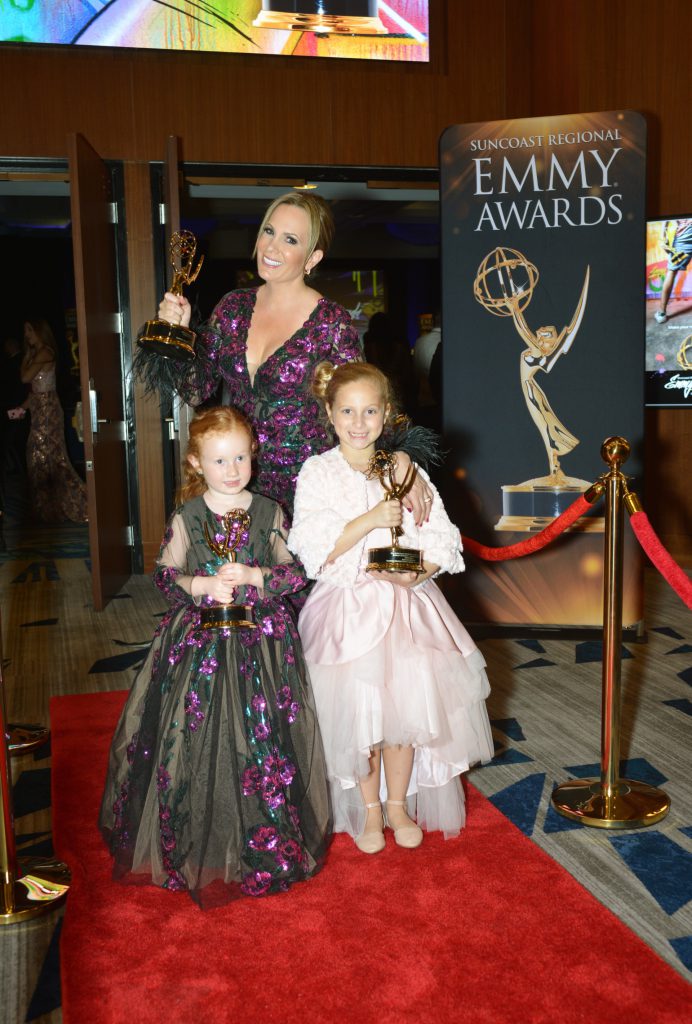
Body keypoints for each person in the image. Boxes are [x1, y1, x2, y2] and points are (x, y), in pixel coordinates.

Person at [99, 405, 331, 906]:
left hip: (262, 644)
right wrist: (200, 583)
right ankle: (196, 834)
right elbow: (165, 574)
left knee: (260, 735)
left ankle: (265, 834)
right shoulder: (189, 516)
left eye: (241, 458)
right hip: (198, 643)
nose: (232, 470)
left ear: (253, 456)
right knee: (197, 734)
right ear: (197, 464)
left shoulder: (269, 511)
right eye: (220, 460)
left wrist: (254, 577)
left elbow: (295, 574)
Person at [288, 362, 493, 855]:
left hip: (408, 611)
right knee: (363, 721)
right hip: (348, 611)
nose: (359, 423)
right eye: (348, 412)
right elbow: (314, 549)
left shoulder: (405, 469)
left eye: (371, 411)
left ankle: (398, 804)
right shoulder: (317, 472)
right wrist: (370, 520)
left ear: (387, 415)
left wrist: (418, 572)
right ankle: (370, 810)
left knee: (405, 717)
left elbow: (441, 535)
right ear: (330, 415)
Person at [151, 191, 430, 519]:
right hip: (239, 482)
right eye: (269, 231)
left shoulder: (330, 323)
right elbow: (195, 390)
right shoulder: (232, 308)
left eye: (290, 239)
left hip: (308, 490)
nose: (271, 247)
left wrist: (400, 458)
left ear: (312, 259)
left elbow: (363, 404)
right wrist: (178, 337)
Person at [13, 320, 87, 523]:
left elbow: (25, 378)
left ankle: (77, 503)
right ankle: (48, 509)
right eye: (25, 331)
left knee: (49, 458)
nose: (27, 335)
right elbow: (35, 390)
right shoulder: (36, 355)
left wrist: (26, 357)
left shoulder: (45, 352)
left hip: (48, 411)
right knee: (38, 458)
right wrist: (21, 408)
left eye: (30, 330)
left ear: (39, 332)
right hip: (39, 409)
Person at [654, 218, 692, 323]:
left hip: (685, 238)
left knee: (671, 271)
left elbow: (666, 220)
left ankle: (661, 313)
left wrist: (663, 238)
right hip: (686, 235)